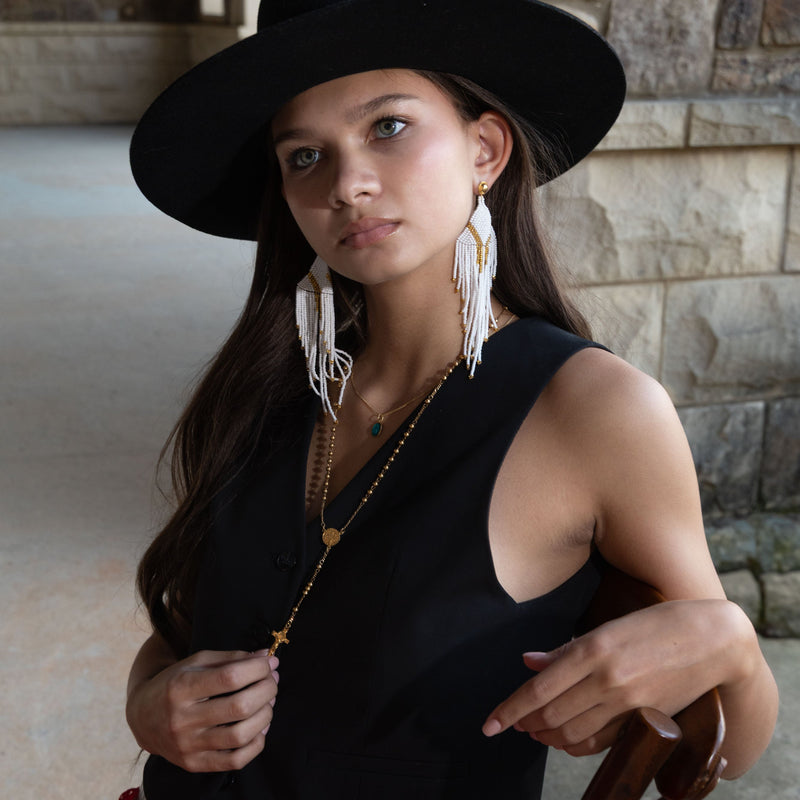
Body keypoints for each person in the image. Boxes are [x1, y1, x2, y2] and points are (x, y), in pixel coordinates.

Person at [124, 1, 778, 798]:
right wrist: (149, 703)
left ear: (485, 148)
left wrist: (733, 643)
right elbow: (191, 629)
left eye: (387, 128)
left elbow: (724, 744)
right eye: (304, 156)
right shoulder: (270, 384)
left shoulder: (595, 411)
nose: (347, 184)